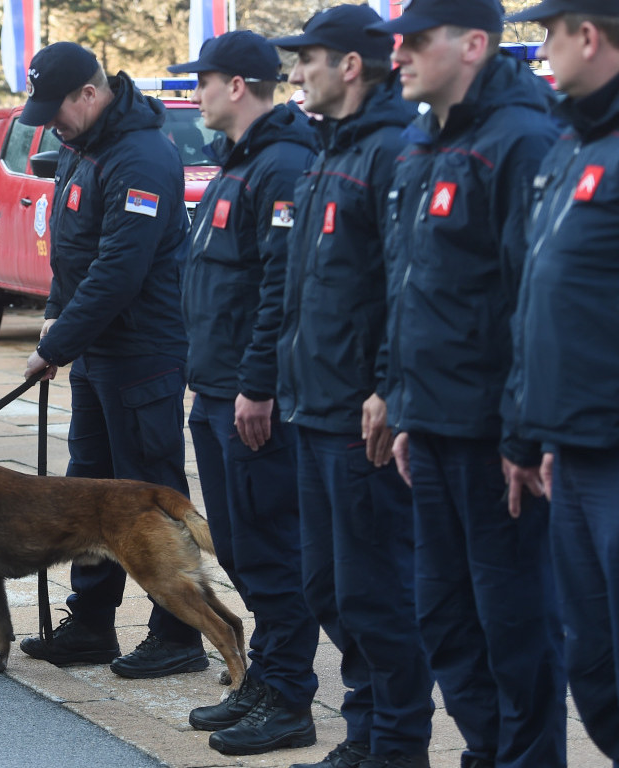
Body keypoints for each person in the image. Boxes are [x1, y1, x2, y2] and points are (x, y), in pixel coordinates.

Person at [366, 1, 567, 766]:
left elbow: (532, 302)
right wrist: (401, 399)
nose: (401, 56)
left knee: (516, 630)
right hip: (434, 426)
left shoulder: (521, 140)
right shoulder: (424, 141)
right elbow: (412, 288)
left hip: (493, 439)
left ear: (474, 44)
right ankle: (487, 752)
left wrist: (523, 432)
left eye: (417, 42)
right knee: (446, 620)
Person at [9, 42, 213, 684]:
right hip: (98, 349)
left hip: (142, 352)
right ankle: (92, 623)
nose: (51, 124)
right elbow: (76, 249)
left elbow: (119, 270)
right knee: (87, 488)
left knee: (145, 494)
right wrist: (56, 316)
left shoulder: (142, 156)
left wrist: (55, 344)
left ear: (90, 95)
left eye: (57, 109)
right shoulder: (84, 145)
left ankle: (178, 631)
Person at [269, 7, 435, 768]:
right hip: (313, 406)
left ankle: (394, 743)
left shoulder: (392, 151)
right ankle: (365, 732)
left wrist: (384, 385)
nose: (297, 73)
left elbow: (407, 283)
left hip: (357, 415)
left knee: (377, 595)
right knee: (328, 589)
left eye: (310, 59)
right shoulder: (328, 151)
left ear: (353, 67)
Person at [172, 30, 321, 757]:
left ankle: (291, 696)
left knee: (271, 549)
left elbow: (278, 292)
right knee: (236, 544)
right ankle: (268, 676)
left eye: (202, 81)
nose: (193, 93)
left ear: (238, 86)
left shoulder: (282, 164)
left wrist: (257, 384)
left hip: (251, 400)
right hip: (216, 393)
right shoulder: (241, 163)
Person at [503, 0, 619, 762]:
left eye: (549, 34)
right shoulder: (575, 145)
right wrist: (541, 428)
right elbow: (546, 306)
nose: (543, 49)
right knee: (594, 663)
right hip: (572, 449)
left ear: (588, 34)